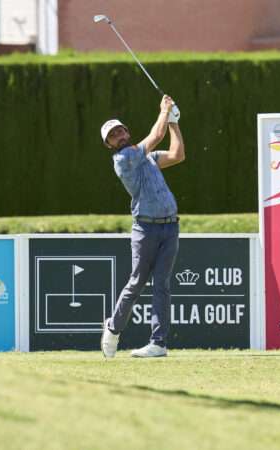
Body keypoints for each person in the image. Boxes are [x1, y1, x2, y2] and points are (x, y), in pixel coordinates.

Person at [100, 95, 185, 358]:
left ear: (127, 131)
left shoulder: (145, 157)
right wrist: (164, 111)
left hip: (169, 228)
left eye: (121, 130)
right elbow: (155, 136)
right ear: (109, 145)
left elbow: (177, 154)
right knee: (137, 282)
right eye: (113, 135)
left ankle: (158, 343)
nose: (119, 135)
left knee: (162, 284)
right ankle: (113, 329)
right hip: (145, 229)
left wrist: (174, 122)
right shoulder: (124, 159)